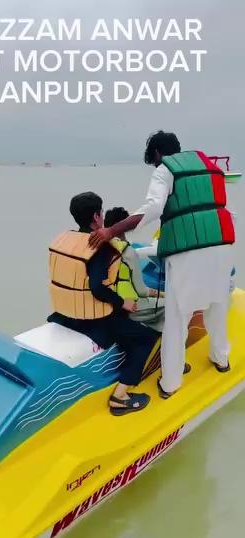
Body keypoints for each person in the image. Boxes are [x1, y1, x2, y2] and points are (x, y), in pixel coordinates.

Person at [89, 132, 235, 398]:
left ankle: (170, 383)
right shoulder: (209, 166)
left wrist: (111, 231)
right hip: (222, 245)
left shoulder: (165, 170)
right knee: (218, 303)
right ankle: (221, 359)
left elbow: (154, 207)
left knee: (177, 318)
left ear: (157, 154)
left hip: (188, 251)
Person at [48, 192, 160, 415]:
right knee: (146, 339)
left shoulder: (64, 240)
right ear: (98, 216)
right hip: (93, 321)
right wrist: (122, 303)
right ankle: (120, 397)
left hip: (63, 315)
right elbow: (98, 288)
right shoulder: (100, 247)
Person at [104, 207, 165, 332]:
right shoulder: (128, 252)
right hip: (129, 308)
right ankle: (164, 347)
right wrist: (164, 294)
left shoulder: (101, 248)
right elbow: (141, 291)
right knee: (171, 307)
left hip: (107, 306)